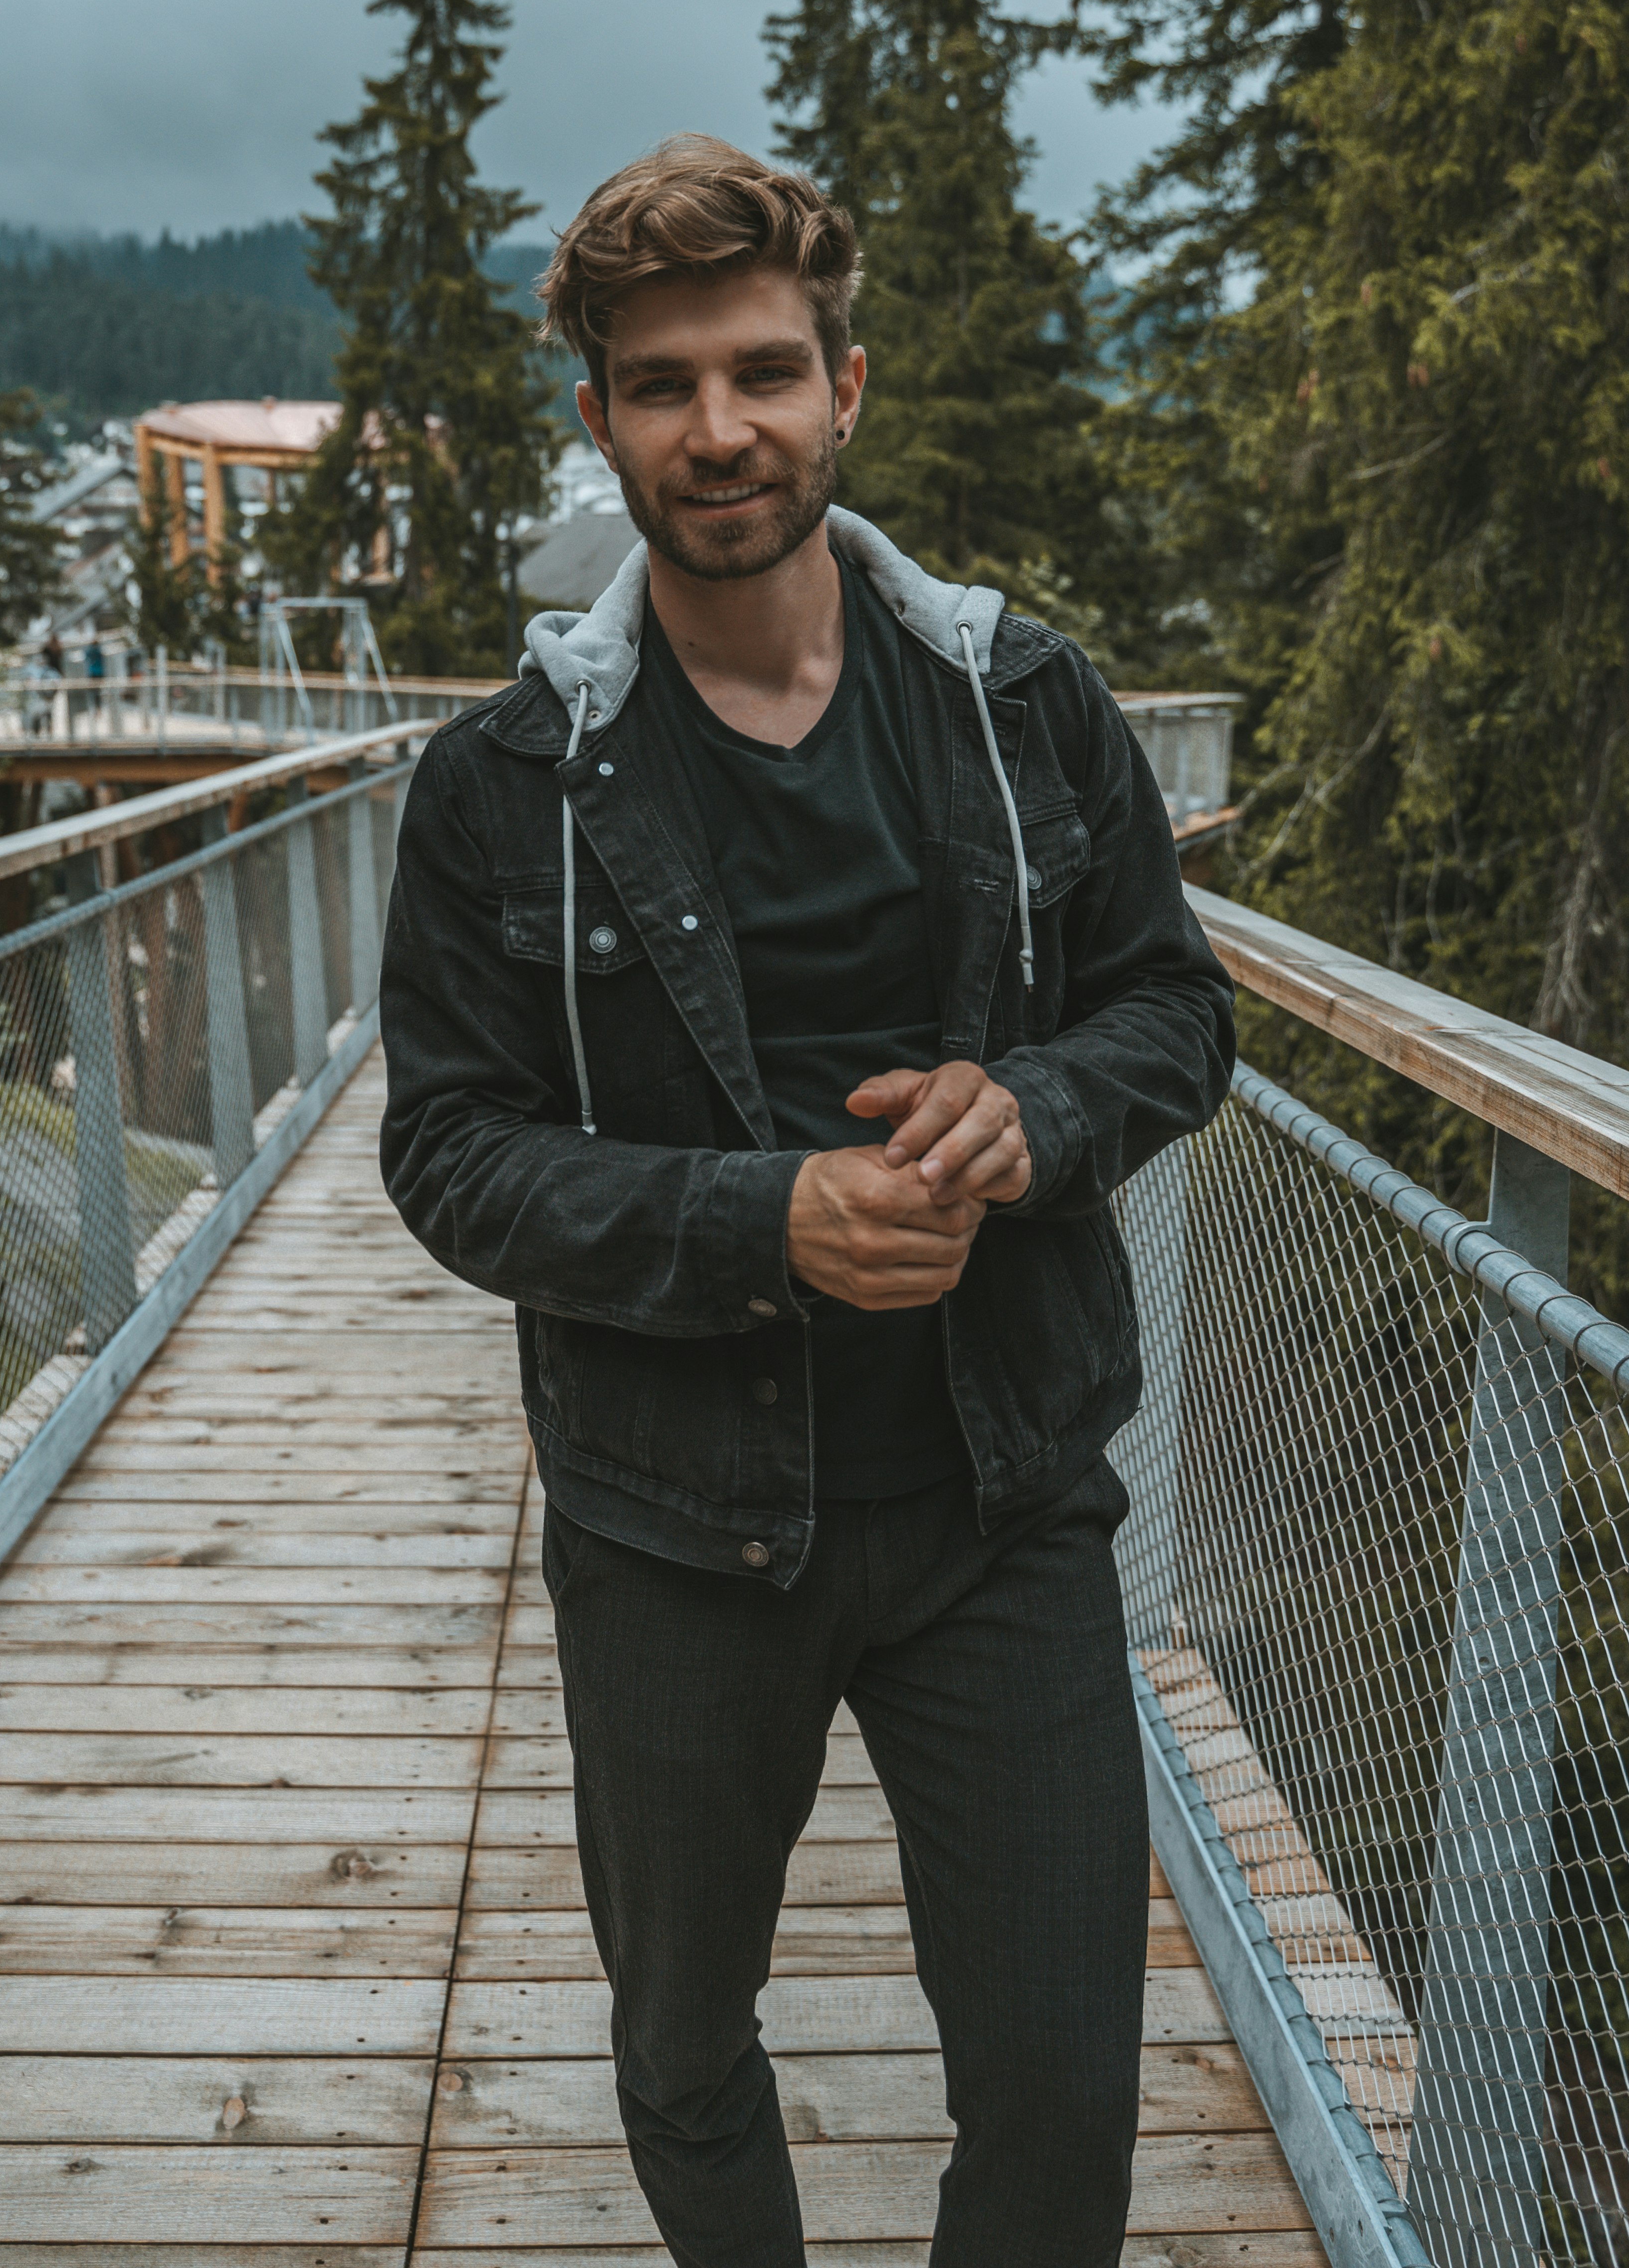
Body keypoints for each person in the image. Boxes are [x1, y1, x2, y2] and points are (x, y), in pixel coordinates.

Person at [379, 135, 1235, 2268]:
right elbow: (448, 1151)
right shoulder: (503, 787)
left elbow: (1171, 1012)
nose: (718, 427)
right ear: (599, 424)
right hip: (673, 1528)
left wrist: (1034, 1109)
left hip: (1001, 1497)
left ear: (846, 389)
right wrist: (762, 1223)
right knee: (682, 2043)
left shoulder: (1024, 706)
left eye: (762, 371)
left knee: (1057, 2096)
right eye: (660, 385)